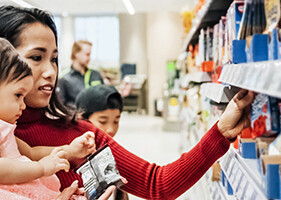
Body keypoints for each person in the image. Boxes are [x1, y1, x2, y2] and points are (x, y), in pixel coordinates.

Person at [0, 5, 254, 200]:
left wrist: (220, 132)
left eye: (54, 59)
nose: (50, 71)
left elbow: (158, 184)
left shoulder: (80, 138)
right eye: (36, 57)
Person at [0, 38, 96, 199]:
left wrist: (70, 150)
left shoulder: (7, 130)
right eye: (18, 95)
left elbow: (31, 152)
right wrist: (41, 168)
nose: (23, 106)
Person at [75, 85, 127, 200]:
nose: (111, 129)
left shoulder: (113, 154)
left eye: (116, 121)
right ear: (82, 119)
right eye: (103, 121)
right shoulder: (73, 158)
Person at [58, 40, 104, 107]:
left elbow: (104, 97)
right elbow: (60, 105)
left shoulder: (96, 74)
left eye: (90, 54)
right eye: (87, 54)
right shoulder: (64, 78)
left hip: (97, 115)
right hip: (76, 116)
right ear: (76, 53)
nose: (89, 58)